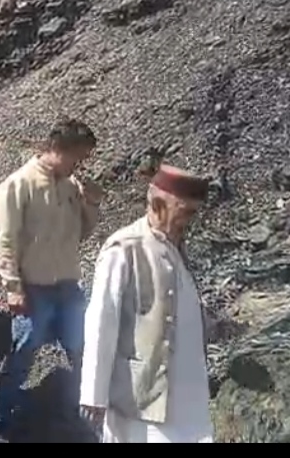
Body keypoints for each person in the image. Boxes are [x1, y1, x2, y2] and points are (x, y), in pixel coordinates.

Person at [80, 164, 213, 443]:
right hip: (141, 397)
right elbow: (103, 320)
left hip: (188, 396)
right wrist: (94, 394)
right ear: (158, 205)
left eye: (194, 212)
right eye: (185, 211)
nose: (190, 220)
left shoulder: (175, 246)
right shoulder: (125, 248)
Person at [0, 118, 101, 438]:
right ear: (57, 148)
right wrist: (12, 286)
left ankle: (83, 415)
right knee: (23, 354)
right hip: (33, 287)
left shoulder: (71, 186)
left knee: (82, 350)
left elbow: (82, 233)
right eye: (77, 157)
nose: (80, 165)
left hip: (68, 285)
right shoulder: (19, 184)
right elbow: (5, 240)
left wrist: (92, 203)